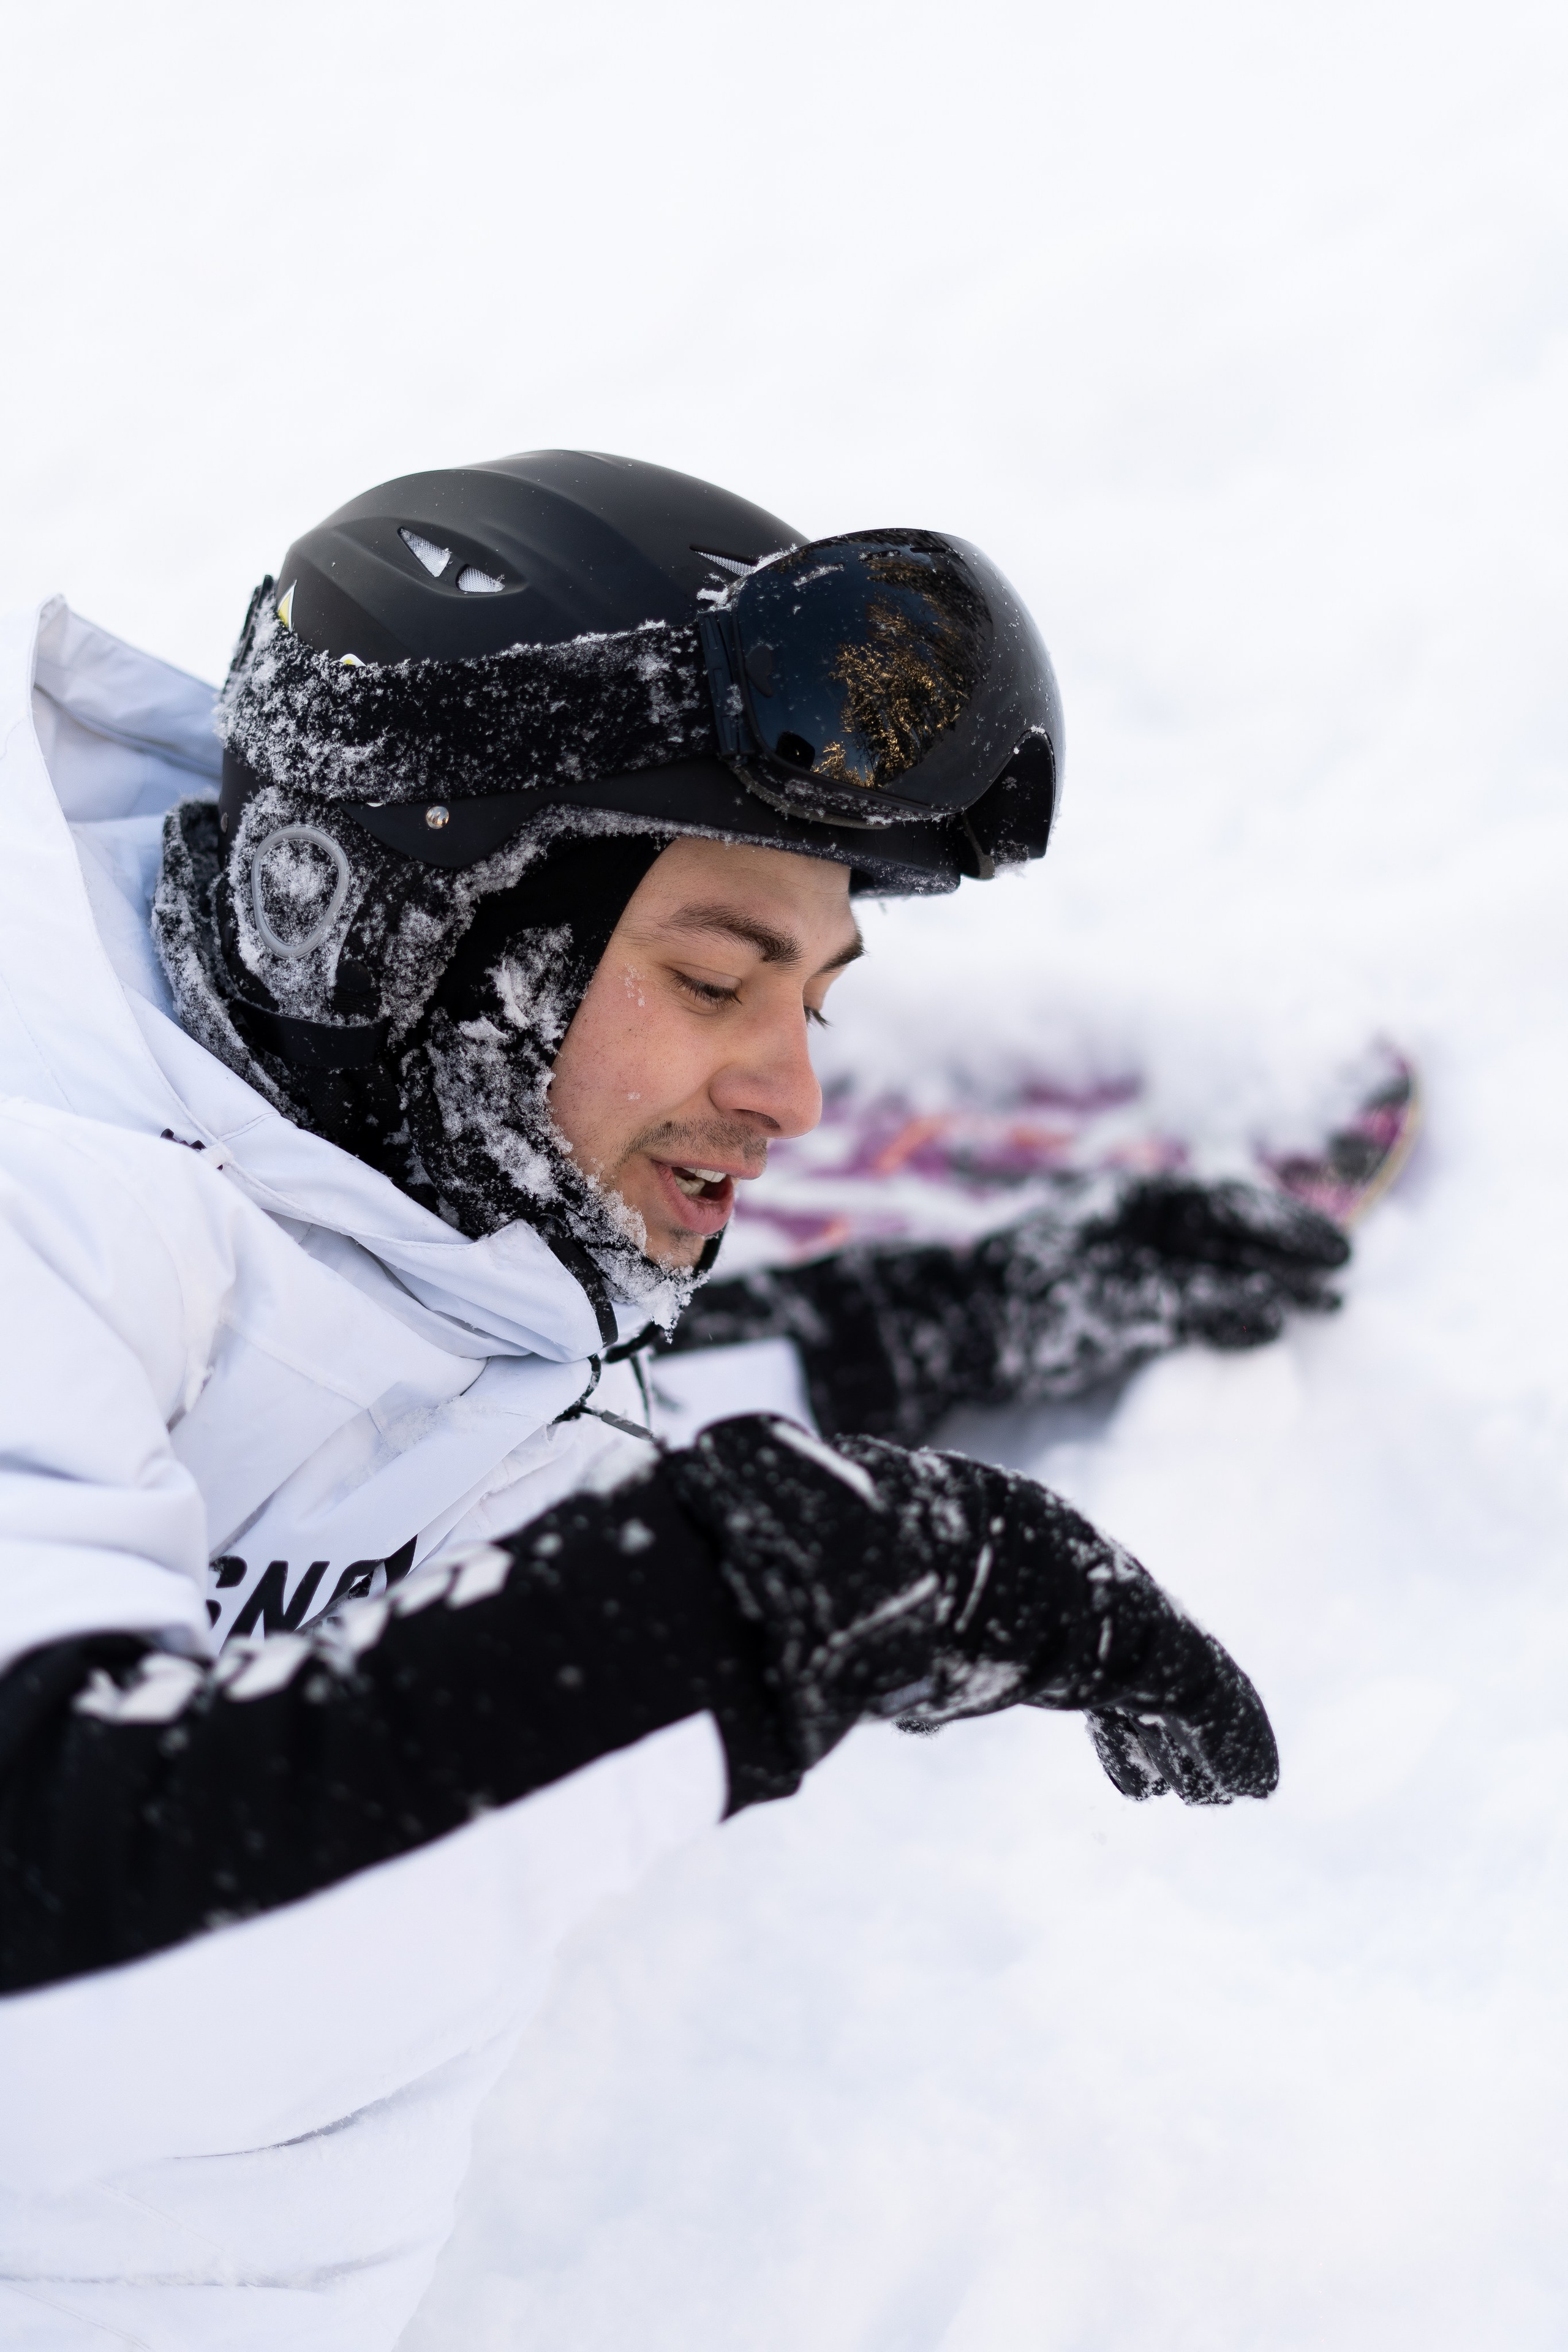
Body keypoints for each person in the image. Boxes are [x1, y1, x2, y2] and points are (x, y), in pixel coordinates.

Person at [0, 452, 1347, 2349]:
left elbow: (516, 1422)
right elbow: (53, 1929)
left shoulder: (432, 1235)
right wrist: (752, 1596)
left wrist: (977, 1318)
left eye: (816, 999)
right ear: (378, 927)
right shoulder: (44, 1214)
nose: (794, 1095)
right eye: (719, 978)